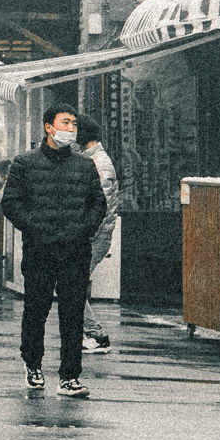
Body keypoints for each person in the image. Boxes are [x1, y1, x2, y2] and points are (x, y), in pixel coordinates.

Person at [0, 102, 108, 398]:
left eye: (74, 124)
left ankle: (70, 376)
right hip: (40, 249)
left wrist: (83, 229)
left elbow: (98, 203)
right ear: (49, 127)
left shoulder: (84, 165)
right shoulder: (25, 163)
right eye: (65, 123)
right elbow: (11, 203)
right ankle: (33, 364)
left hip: (75, 250)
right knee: (36, 310)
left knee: (72, 314)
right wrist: (35, 228)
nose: (71, 128)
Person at [76, 119, 120, 356]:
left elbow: (99, 206)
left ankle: (96, 335)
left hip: (94, 237)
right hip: (92, 236)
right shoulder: (90, 160)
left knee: (71, 284)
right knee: (72, 284)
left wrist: (84, 233)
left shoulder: (100, 163)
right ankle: (91, 334)